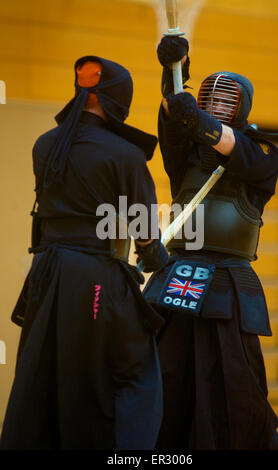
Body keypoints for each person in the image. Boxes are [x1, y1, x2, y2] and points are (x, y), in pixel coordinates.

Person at [0, 56, 168, 450]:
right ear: (117, 99)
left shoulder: (45, 145)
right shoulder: (125, 154)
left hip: (46, 273)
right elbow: (144, 231)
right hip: (95, 277)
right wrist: (156, 259)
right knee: (130, 371)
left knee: (47, 371)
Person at [143, 36, 278, 450]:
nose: (219, 103)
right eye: (211, 97)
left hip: (229, 283)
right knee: (169, 374)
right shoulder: (184, 158)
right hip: (180, 274)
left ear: (243, 106)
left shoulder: (262, 155)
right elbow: (173, 118)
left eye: (228, 99)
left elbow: (230, 145)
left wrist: (197, 120)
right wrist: (177, 70)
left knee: (235, 381)